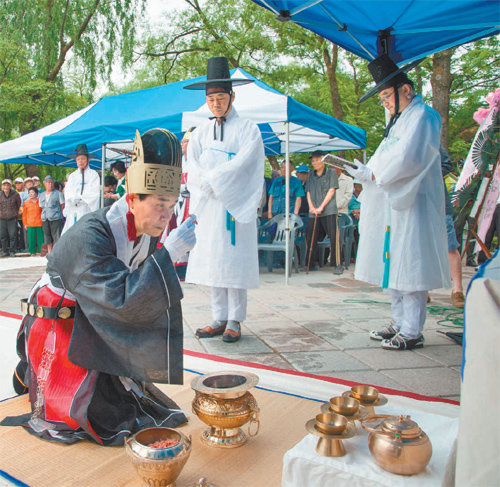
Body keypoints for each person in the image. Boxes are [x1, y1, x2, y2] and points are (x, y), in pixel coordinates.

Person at [10, 128, 196, 445]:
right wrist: (170, 254)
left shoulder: (146, 227)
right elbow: (121, 299)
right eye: (160, 204)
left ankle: (31, 372)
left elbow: (138, 293)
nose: (166, 215)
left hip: (96, 311)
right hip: (62, 316)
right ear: (133, 198)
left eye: (172, 205)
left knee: (134, 400)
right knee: (98, 414)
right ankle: (31, 370)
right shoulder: (94, 234)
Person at [347, 53, 450, 350]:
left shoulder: (424, 116)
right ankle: (399, 321)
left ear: (405, 89)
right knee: (392, 262)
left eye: (386, 96)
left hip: (413, 202)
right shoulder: (397, 122)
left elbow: (410, 158)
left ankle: (413, 329)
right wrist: (366, 174)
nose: (385, 103)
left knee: (411, 263)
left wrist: (375, 174)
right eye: (381, 98)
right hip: (391, 202)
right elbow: (385, 158)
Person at [184, 56, 265, 343]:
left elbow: (247, 163)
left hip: (234, 205)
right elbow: (191, 164)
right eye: (211, 98)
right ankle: (218, 317)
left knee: (234, 262)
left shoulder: (248, 129)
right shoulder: (201, 132)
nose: (216, 103)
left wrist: (215, 180)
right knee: (214, 261)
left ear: (232, 96)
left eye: (221, 97)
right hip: (210, 205)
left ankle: (235, 320)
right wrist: (205, 181)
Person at [306, 150, 343, 274]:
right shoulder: (311, 175)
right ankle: (311, 263)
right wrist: (311, 207)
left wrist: (321, 207)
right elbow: (308, 191)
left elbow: (331, 190)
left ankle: (338, 263)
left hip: (328, 210)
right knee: (310, 236)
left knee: (334, 236)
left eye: (316, 160)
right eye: (313, 160)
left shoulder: (331, 172)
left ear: (323, 160)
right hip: (313, 210)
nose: (314, 162)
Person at [440, 148, 465, 308]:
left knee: (450, 245)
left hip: (440, 203)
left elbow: (446, 165)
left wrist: (425, 172)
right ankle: (422, 289)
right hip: (416, 203)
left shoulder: (431, 140)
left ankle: (457, 289)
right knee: (422, 248)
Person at [62, 144, 100, 233]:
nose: (80, 161)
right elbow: (68, 191)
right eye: (78, 159)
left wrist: (81, 198)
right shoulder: (73, 176)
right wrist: (73, 198)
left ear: (88, 159)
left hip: (86, 208)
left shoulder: (93, 175)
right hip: (73, 210)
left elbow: (94, 193)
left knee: (85, 232)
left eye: (83, 159)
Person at [39, 175, 65, 253]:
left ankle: (57, 253)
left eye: (51, 183)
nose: (50, 184)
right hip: (45, 218)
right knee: (47, 237)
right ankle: (50, 253)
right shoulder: (42, 195)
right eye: (48, 183)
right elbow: (41, 206)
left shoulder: (58, 193)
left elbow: (62, 206)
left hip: (56, 218)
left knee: (56, 236)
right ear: (44, 184)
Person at [0, 179, 22, 257]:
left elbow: (19, 204)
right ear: (2, 186)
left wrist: (16, 213)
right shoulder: (0, 194)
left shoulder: (15, 194)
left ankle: (12, 250)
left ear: (10, 186)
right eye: (4, 185)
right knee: (3, 235)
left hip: (12, 218)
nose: (6, 186)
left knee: (13, 235)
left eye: (7, 185)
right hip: (2, 218)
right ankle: (5, 251)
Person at [22, 187, 44, 255]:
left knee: (41, 239)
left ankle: (42, 251)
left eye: (32, 192)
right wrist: (25, 223)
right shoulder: (26, 203)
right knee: (31, 239)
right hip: (30, 223)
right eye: (29, 193)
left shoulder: (40, 201)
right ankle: (32, 251)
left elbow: (42, 212)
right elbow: (24, 214)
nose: (31, 194)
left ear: (36, 194)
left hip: (39, 222)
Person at [14, 177, 25, 252]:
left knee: (23, 233)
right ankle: (15, 247)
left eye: (19, 183)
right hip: (14, 216)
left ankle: (22, 247)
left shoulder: (26, 192)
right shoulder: (13, 193)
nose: (18, 185)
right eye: (16, 183)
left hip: (24, 216)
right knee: (14, 233)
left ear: (23, 184)